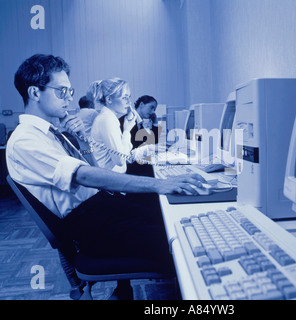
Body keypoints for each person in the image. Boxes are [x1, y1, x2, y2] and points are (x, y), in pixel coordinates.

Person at [6, 54, 206, 299]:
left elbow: (91, 167)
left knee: (177, 217)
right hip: (93, 224)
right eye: (62, 92)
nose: (69, 99)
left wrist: (81, 140)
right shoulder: (26, 139)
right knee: (183, 240)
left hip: (103, 206)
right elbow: (86, 176)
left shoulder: (51, 133)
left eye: (70, 92)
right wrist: (160, 183)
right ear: (35, 93)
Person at [127, 95, 160, 177]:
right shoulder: (129, 120)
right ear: (141, 104)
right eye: (151, 107)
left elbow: (153, 142)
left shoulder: (139, 122)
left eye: (154, 109)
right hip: (131, 168)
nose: (153, 112)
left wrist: (155, 123)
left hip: (136, 163)